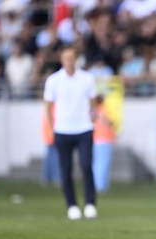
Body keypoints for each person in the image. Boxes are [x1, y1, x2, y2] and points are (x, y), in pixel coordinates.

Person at [44, 46, 98, 220]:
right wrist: (53, 126)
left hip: (83, 129)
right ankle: (72, 205)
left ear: (76, 59)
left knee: (86, 165)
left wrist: (90, 118)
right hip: (63, 130)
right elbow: (48, 106)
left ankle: (90, 203)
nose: (68, 60)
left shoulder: (87, 78)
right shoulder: (53, 80)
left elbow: (92, 101)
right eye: (65, 57)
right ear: (61, 59)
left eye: (71, 57)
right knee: (65, 170)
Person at [92, 95, 116, 193]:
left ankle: (101, 184)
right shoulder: (102, 111)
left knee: (98, 163)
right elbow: (110, 123)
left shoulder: (93, 111)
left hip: (96, 139)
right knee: (102, 163)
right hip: (103, 139)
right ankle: (100, 185)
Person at [40, 104, 61, 187]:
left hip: (48, 134)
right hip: (52, 134)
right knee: (55, 156)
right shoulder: (54, 107)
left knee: (50, 156)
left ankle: (46, 177)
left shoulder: (48, 106)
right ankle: (56, 176)